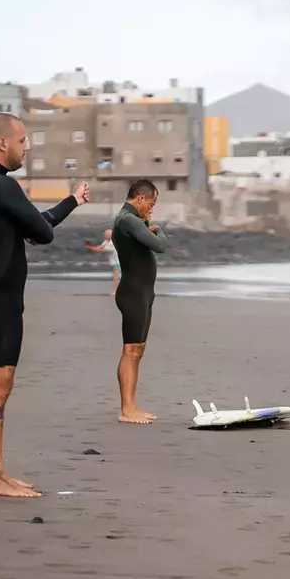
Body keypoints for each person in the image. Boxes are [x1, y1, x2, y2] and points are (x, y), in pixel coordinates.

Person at [0, 113, 90, 498]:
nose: (26, 146)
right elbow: (43, 232)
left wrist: (72, 201)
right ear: (2, 143)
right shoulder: (1, 186)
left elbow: (38, 223)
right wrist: (37, 229)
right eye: (21, 140)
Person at [111, 179, 168, 424]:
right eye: (151, 204)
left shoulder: (132, 220)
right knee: (130, 350)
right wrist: (158, 230)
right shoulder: (128, 219)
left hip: (143, 292)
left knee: (138, 350)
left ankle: (132, 405)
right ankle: (126, 409)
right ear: (141, 198)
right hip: (133, 293)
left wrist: (148, 226)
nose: (152, 209)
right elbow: (160, 246)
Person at [85, 229, 121, 296]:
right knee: (119, 276)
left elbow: (101, 251)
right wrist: (91, 246)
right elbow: (99, 247)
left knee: (116, 276)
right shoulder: (107, 241)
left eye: (106, 234)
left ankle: (116, 291)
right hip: (115, 262)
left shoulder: (112, 243)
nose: (104, 236)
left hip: (119, 262)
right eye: (104, 234)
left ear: (111, 235)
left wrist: (90, 248)